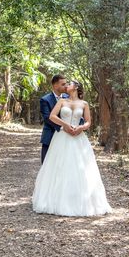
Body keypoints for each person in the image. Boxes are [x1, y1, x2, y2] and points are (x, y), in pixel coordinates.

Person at [32, 80, 112, 217]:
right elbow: (52, 116)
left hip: (79, 138)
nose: (66, 85)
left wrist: (81, 127)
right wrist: (65, 125)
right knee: (60, 167)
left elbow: (88, 121)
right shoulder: (62, 101)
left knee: (79, 169)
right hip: (62, 136)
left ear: (76, 87)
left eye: (69, 83)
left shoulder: (84, 104)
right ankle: (56, 200)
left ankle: (79, 200)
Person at [39, 74, 69, 164]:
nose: (66, 86)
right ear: (55, 85)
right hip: (50, 134)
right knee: (46, 164)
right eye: (63, 84)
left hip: (67, 136)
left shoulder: (68, 98)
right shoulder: (45, 99)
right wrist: (62, 127)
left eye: (66, 84)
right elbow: (47, 118)